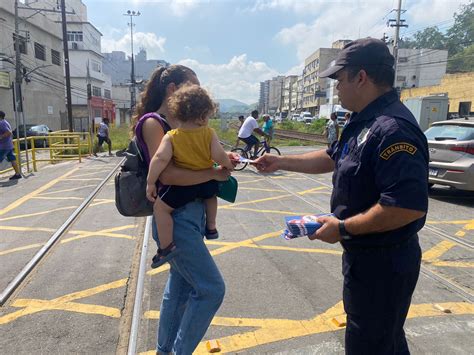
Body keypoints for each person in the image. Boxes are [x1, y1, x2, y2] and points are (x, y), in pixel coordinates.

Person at [254, 38, 428, 354]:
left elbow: (406, 206)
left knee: (371, 344)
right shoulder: (363, 120)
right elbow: (333, 156)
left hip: (384, 263)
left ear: (361, 77)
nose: (336, 88)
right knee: (381, 341)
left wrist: (343, 228)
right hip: (365, 257)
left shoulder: (393, 129)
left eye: (339, 79)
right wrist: (280, 161)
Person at [133, 64, 236, 355]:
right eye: (192, 87)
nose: (197, 93)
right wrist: (215, 174)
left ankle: (165, 351)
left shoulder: (187, 129)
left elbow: (205, 160)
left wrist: (223, 162)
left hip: (190, 216)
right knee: (211, 289)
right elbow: (168, 176)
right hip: (176, 217)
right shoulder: (156, 124)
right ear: (172, 89)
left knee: (178, 290)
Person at [146, 84, 234, 268]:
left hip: (182, 188)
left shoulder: (171, 136)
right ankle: (211, 227)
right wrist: (227, 164)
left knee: (161, 210)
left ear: (177, 113)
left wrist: (150, 182)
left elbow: (160, 159)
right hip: (207, 182)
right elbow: (218, 155)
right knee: (211, 196)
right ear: (203, 115)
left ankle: (166, 246)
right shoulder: (209, 133)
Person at [0, 110, 22, 180]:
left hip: (3, 146)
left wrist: (1, 137)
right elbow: (11, 133)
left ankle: (18, 174)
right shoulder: (6, 122)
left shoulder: (1, 123)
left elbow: (9, 132)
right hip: (9, 145)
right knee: (13, 159)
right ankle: (18, 174)